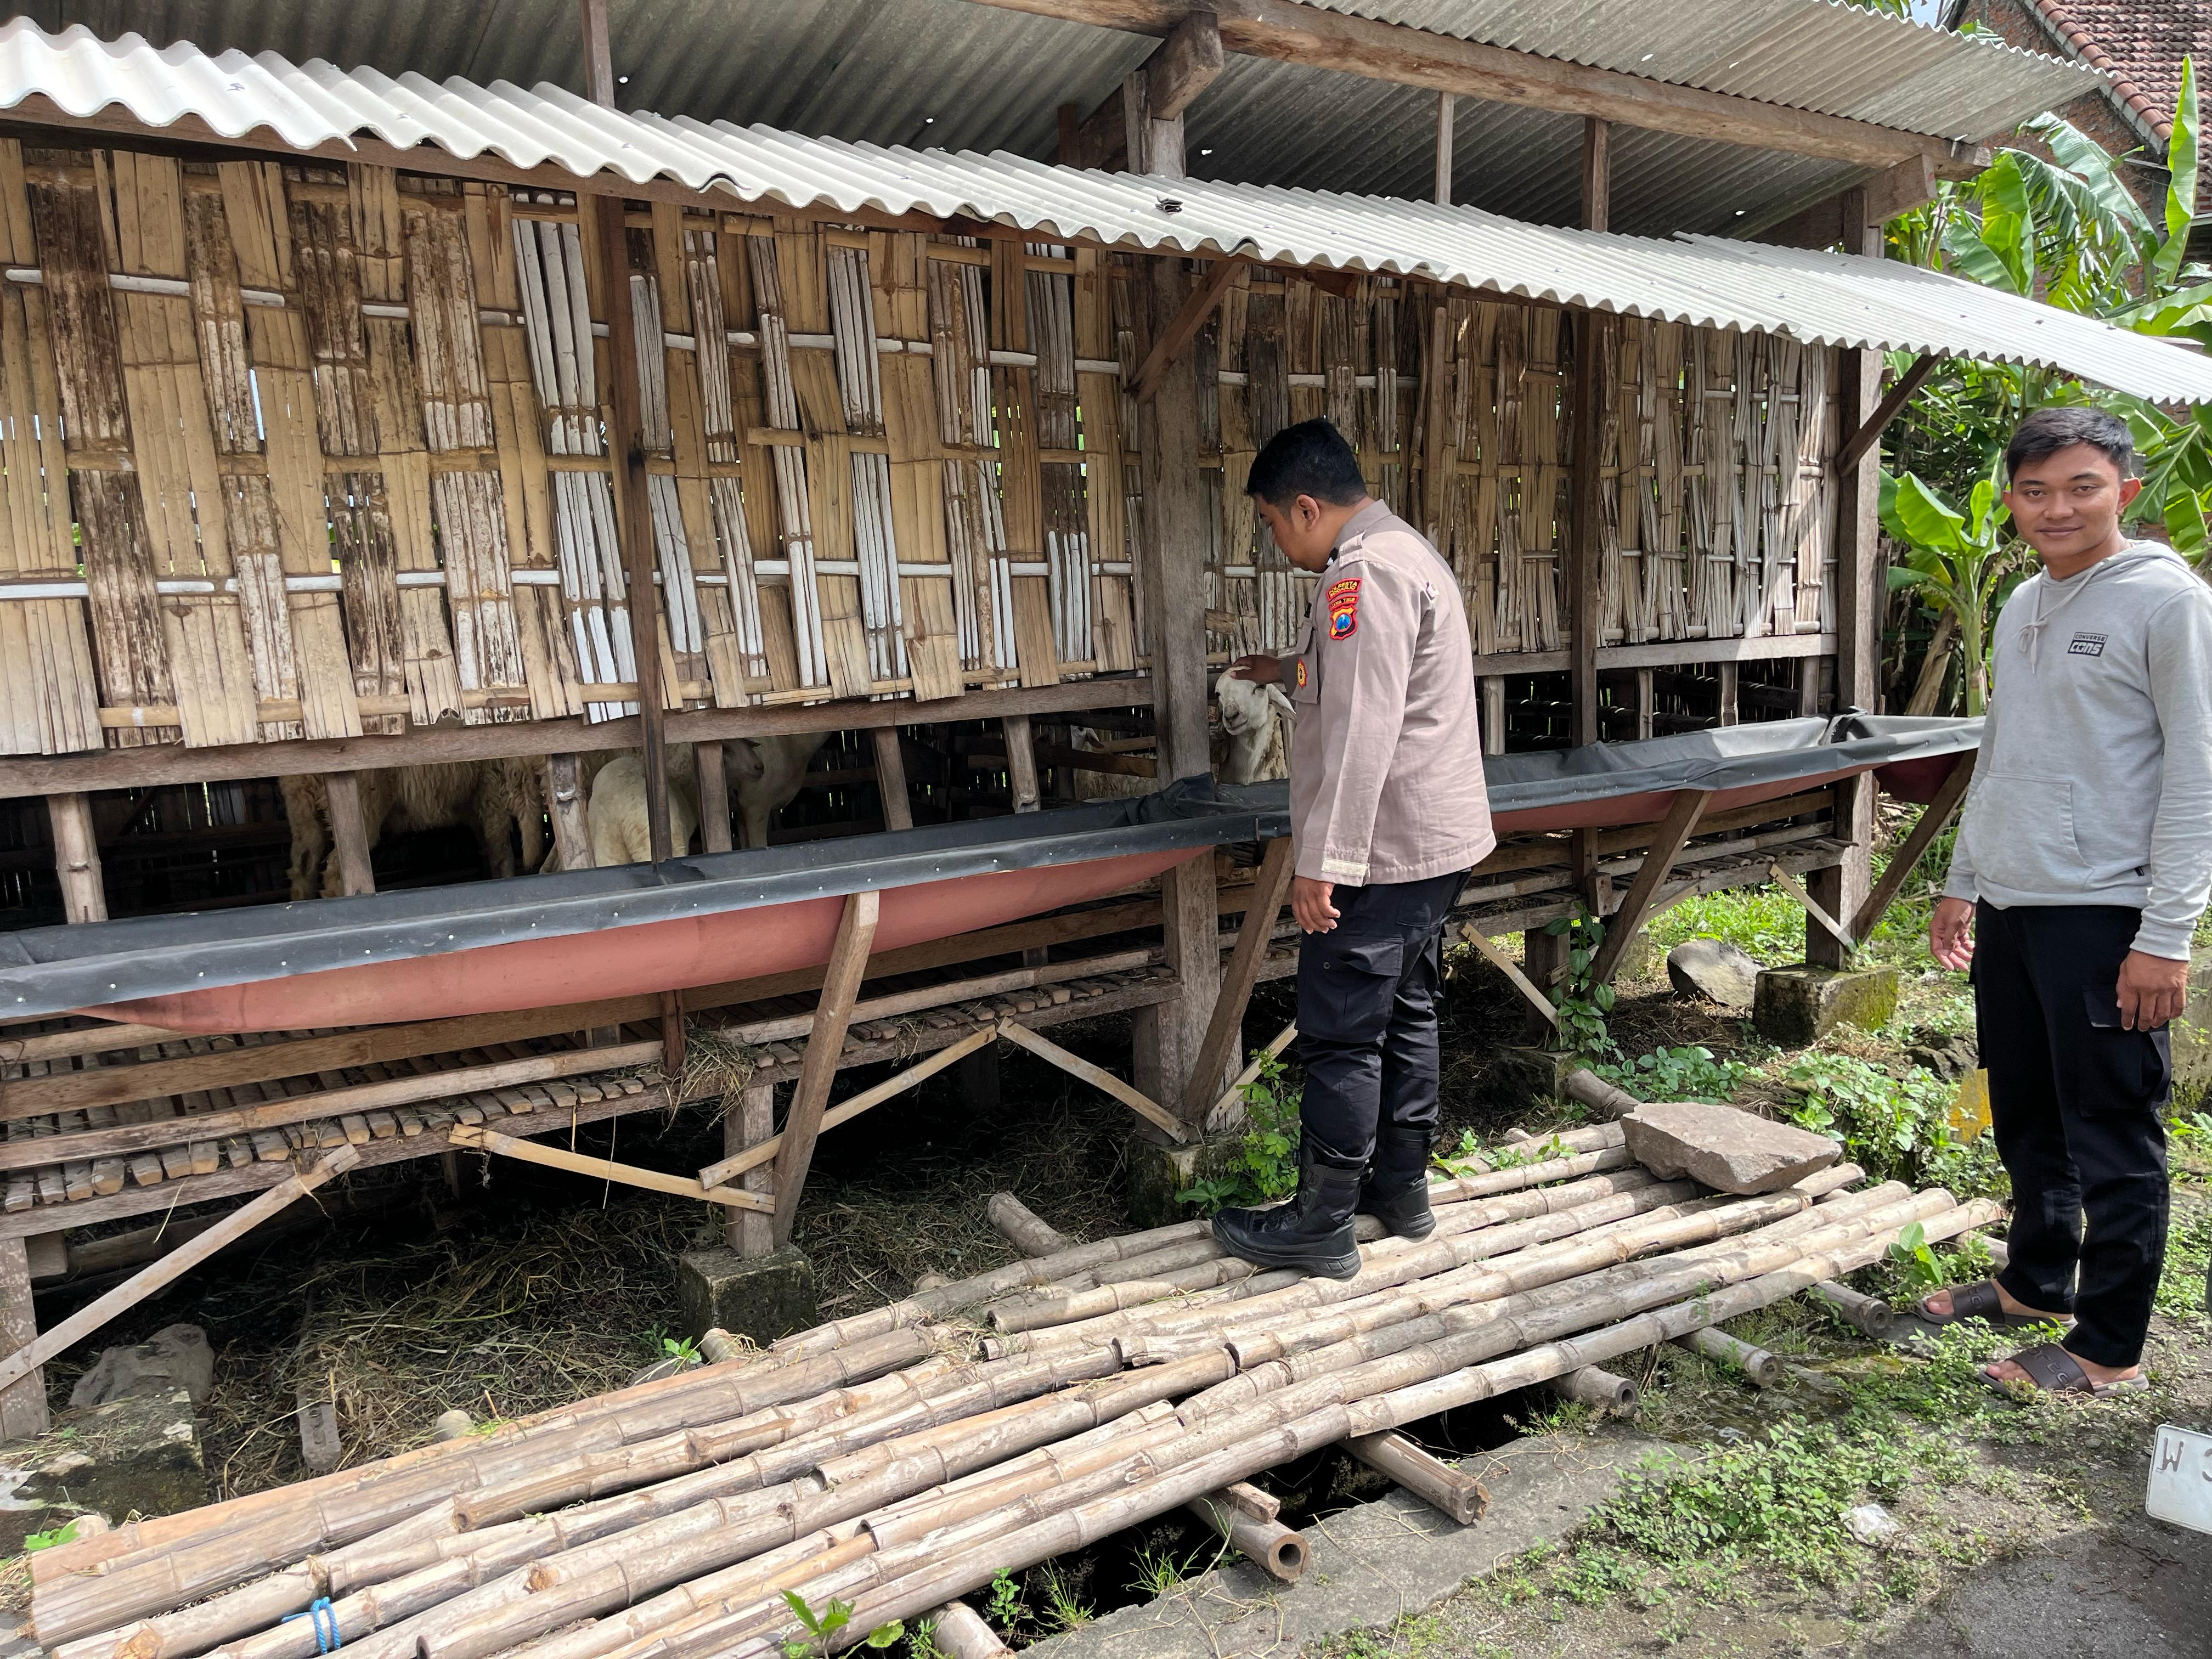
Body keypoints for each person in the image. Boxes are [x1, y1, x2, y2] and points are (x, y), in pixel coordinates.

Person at [1921, 405, 2212, 1397]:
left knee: (2114, 1132)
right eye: (2035, 491)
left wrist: (2166, 937)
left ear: (2126, 491)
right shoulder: (2023, 603)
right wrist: (1966, 883)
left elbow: (2198, 775)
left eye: (2082, 487)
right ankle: (2037, 1281)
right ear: (2010, 501)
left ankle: (2109, 1344)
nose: (2058, 508)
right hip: (2013, 901)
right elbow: (2004, 752)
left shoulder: (2167, 604)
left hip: (2106, 910)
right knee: (2026, 1108)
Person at [1211, 419, 1494, 1279]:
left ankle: (1322, 1222)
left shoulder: (1360, 575)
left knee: (1340, 1030)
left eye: (1271, 523)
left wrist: (1320, 862)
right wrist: (1282, 671)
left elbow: (1366, 727)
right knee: (1407, 1009)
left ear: (1305, 506)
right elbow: (1361, 677)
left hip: (1382, 849)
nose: (1274, 540)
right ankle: (1400, 1193)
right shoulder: (1401, 548)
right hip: (1435, 843)